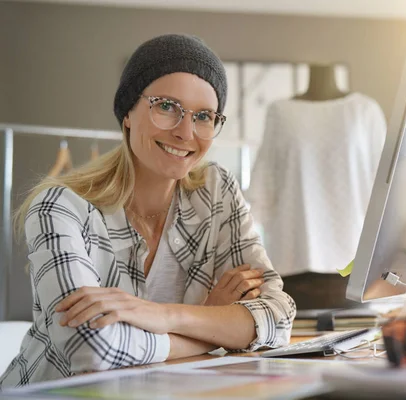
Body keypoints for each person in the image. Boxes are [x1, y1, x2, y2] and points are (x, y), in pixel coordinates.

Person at [0, 33, 296, 389]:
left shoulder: (217, 192)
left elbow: (279, 318)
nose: (186, 132)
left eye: (203, 116)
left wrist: (162, 315)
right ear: (128, 112)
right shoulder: (60, 209)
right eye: (167, 106)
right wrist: (214, 326)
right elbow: (89, 349)